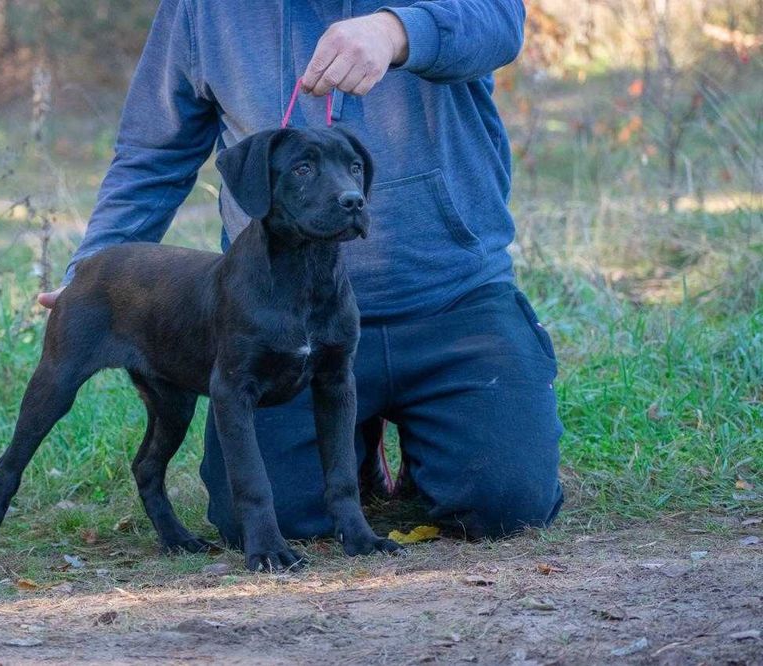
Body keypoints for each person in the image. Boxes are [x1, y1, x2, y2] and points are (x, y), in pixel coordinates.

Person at [39, 0, 563, 544]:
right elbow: (152, 153)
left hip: (452, 302)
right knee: (269, 521)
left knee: (508, 506)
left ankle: (420, 439)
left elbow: (500, 23)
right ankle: (355, 448)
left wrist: (396, 31)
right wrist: (90, 271)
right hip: (275, 319)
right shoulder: (201, 11)